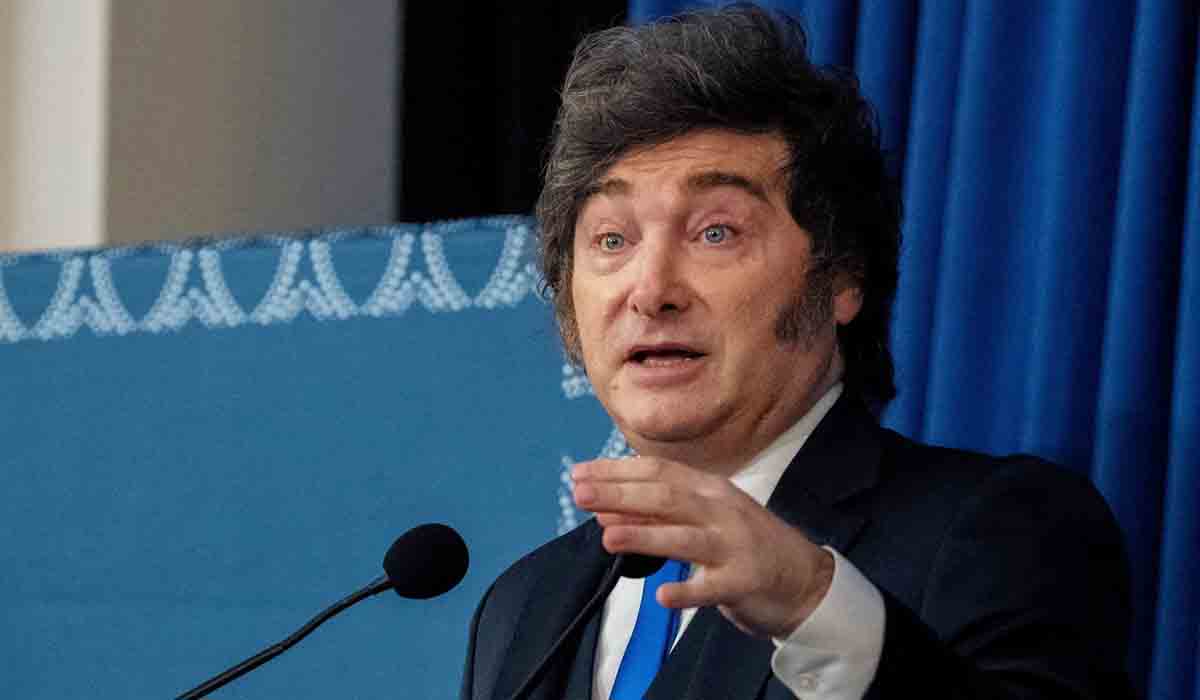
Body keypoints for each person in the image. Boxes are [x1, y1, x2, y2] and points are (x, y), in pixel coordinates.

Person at [460, 5, 1134, 699]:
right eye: (612, 239)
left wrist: (815, 605)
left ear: (842, 277)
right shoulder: (524, 605)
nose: (651, 290)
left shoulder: (996, 531)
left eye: (716, 232)